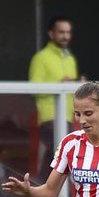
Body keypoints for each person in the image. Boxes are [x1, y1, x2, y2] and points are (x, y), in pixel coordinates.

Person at [28, 17, 80, 176]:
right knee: (59, 156)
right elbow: (33, 88)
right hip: (49, 116)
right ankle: (46, 193)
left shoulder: (70, 58)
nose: (66, 36)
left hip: (68, 116)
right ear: (51, 34)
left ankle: (48, 194)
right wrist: (59, 85)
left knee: (60, 158)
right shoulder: (41, 57)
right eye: (61, 32)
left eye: (68, 32)